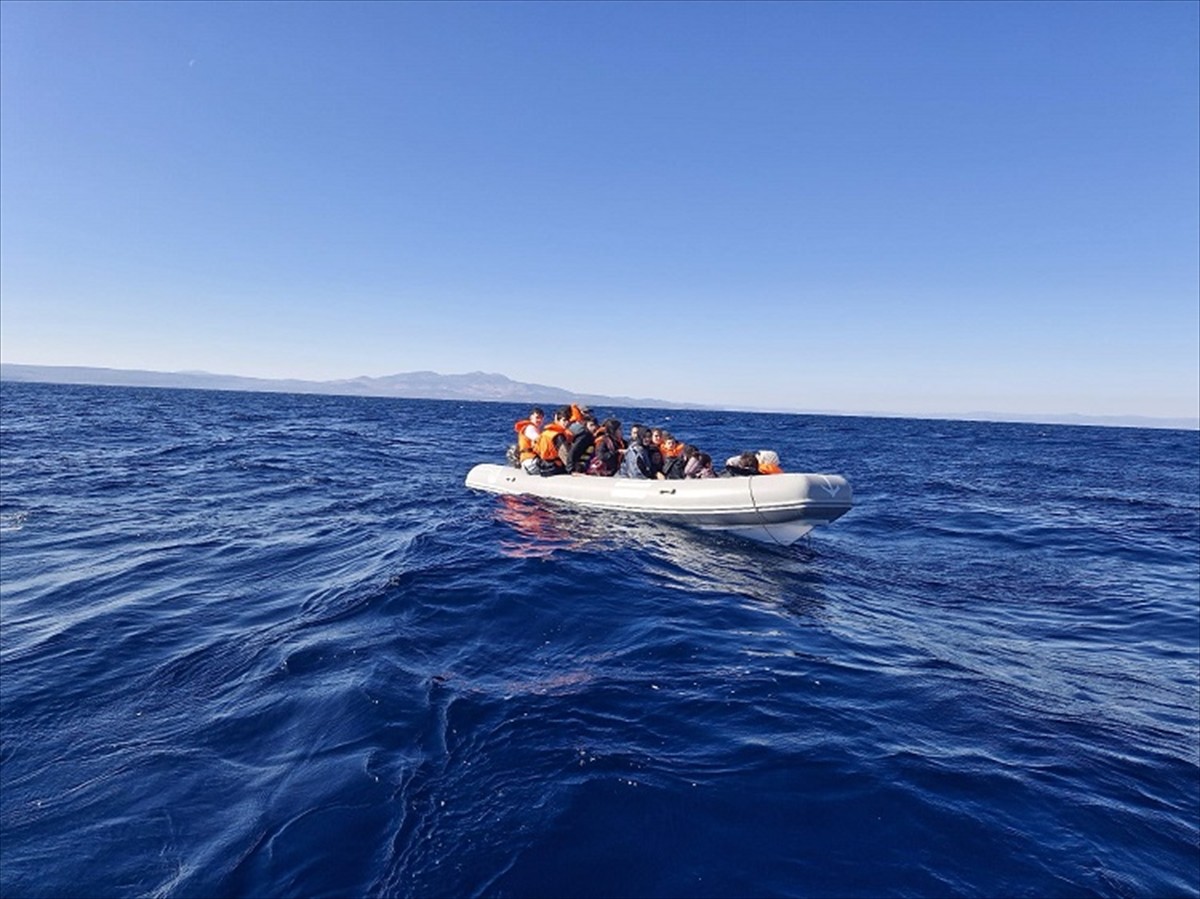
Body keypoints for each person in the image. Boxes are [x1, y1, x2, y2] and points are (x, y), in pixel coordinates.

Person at [533, 406, 574, 476]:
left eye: (568, 420)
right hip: (553, 467)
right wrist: (573, 470)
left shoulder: (545, 433)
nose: (566, 423)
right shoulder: (558, 436)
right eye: (564, 420)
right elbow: (564, 454)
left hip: (542, 465)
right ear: (558, 421)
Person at [513, 407, 544, 473]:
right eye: (537, 417)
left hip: (527, 461)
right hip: (530, 462)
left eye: (541, 418)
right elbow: (541, 441)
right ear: (531, 417)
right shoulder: (530, 428)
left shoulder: (534, 429)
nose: (539, 420)